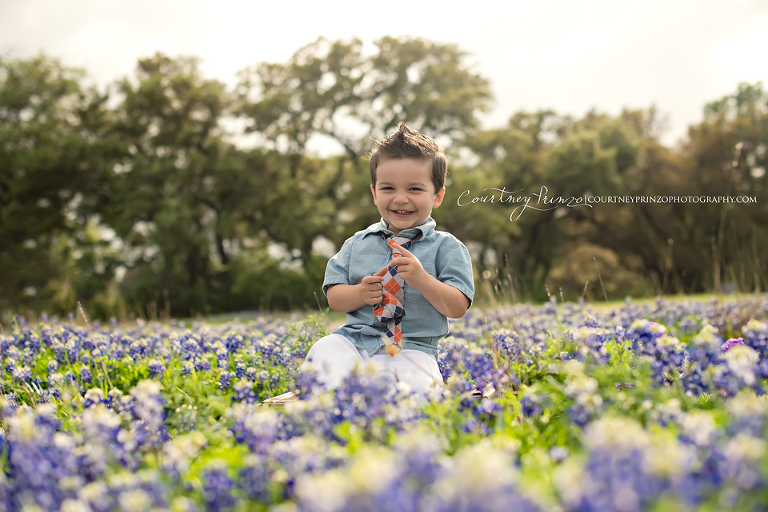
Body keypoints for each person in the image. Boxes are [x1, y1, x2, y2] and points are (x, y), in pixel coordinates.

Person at [301, 123, 474, 396]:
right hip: (356, 345)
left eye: (415, 189)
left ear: (438, 196)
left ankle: (376, 403)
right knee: (324, 349)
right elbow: (334, 298)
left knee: (417, 391)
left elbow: (457, 307)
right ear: (374, 193)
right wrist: (359, 292)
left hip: (412, 349)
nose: (401, 198)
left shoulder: (447, 248)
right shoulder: (356, 244)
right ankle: (338, 403)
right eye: (388, 188)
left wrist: (423, 280)